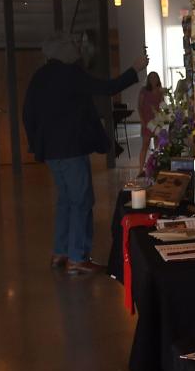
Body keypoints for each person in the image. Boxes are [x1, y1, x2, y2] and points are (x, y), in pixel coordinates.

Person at [23, 32, 146, 275]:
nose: (78, 50)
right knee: (81, 201)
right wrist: (135, 69)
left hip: (51, 152)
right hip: (71, 150)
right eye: (74, 47)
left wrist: (37, 143)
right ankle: (78, 257)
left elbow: (28, 113)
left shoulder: (40, 76)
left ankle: (61, 252)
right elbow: (107, 88)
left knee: (65, 201)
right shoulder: (71, 74)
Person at [137, 71, 165, 175]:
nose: (153, 80)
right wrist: (142, 120)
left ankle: (156, 167)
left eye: (155, 77)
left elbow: (163, 107)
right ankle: (140, 169)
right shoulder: (144, 91)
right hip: (147, 122)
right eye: (151, 77)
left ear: (158, 79)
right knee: (145, 145)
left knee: (158, 147)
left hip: (157, 122)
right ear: (148, 79)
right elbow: (139, 107)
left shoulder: (160, 91)